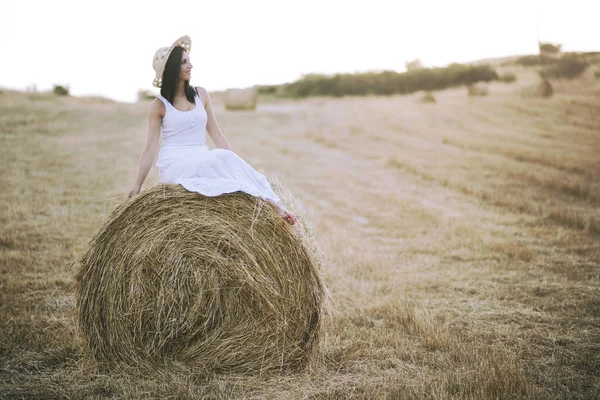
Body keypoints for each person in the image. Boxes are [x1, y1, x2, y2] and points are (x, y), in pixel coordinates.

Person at [128, 36, 297, 225]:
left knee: (225, 159)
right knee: (213, 162)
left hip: (200, 155)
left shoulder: (201, 94)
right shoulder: (158, 106)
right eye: (184, 62)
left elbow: (216, 134)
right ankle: (268, 201)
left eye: (189, 60)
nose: (190, 65)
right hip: (175, 163)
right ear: (172, 69)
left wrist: (234, 162)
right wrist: (137, 185)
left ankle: (272, 203)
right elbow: (150, 149)